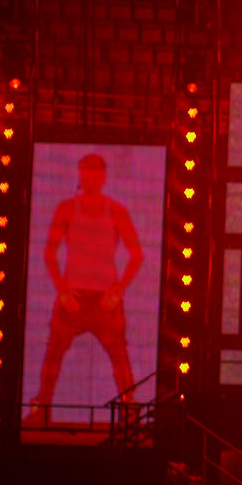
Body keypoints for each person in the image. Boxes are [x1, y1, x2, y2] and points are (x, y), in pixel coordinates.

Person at [30, 153, 144, 418]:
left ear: (103, 178)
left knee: (119, 357)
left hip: (106, 301)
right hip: (73, 298)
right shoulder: (66, 209)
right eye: (85, 174)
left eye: (95, 175)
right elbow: (49, 252)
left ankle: (129, 410)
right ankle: (41, 408)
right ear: (80, 176)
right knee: (53, 355)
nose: (90, 180)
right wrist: (62, 291)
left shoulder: (117, 211)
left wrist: (118, 291)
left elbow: (137, 255)